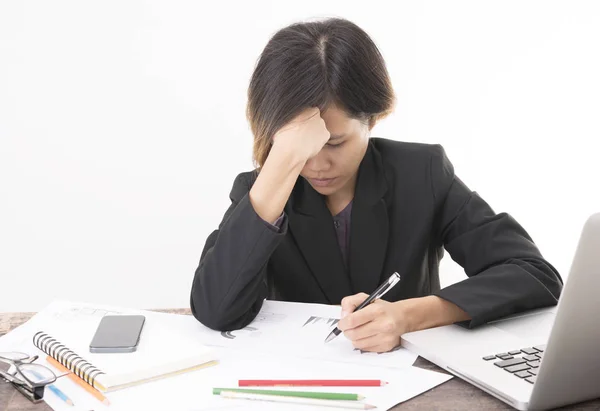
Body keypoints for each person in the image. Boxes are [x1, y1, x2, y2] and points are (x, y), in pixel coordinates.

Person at [190, 18, 562, 353]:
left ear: (375, 118)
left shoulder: (422, 173)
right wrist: (278, 169)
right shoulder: (261, 192)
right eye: (298, 147)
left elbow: (533, 274)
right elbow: (215, 311)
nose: (317, 164)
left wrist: (410, 316)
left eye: (334, 142)